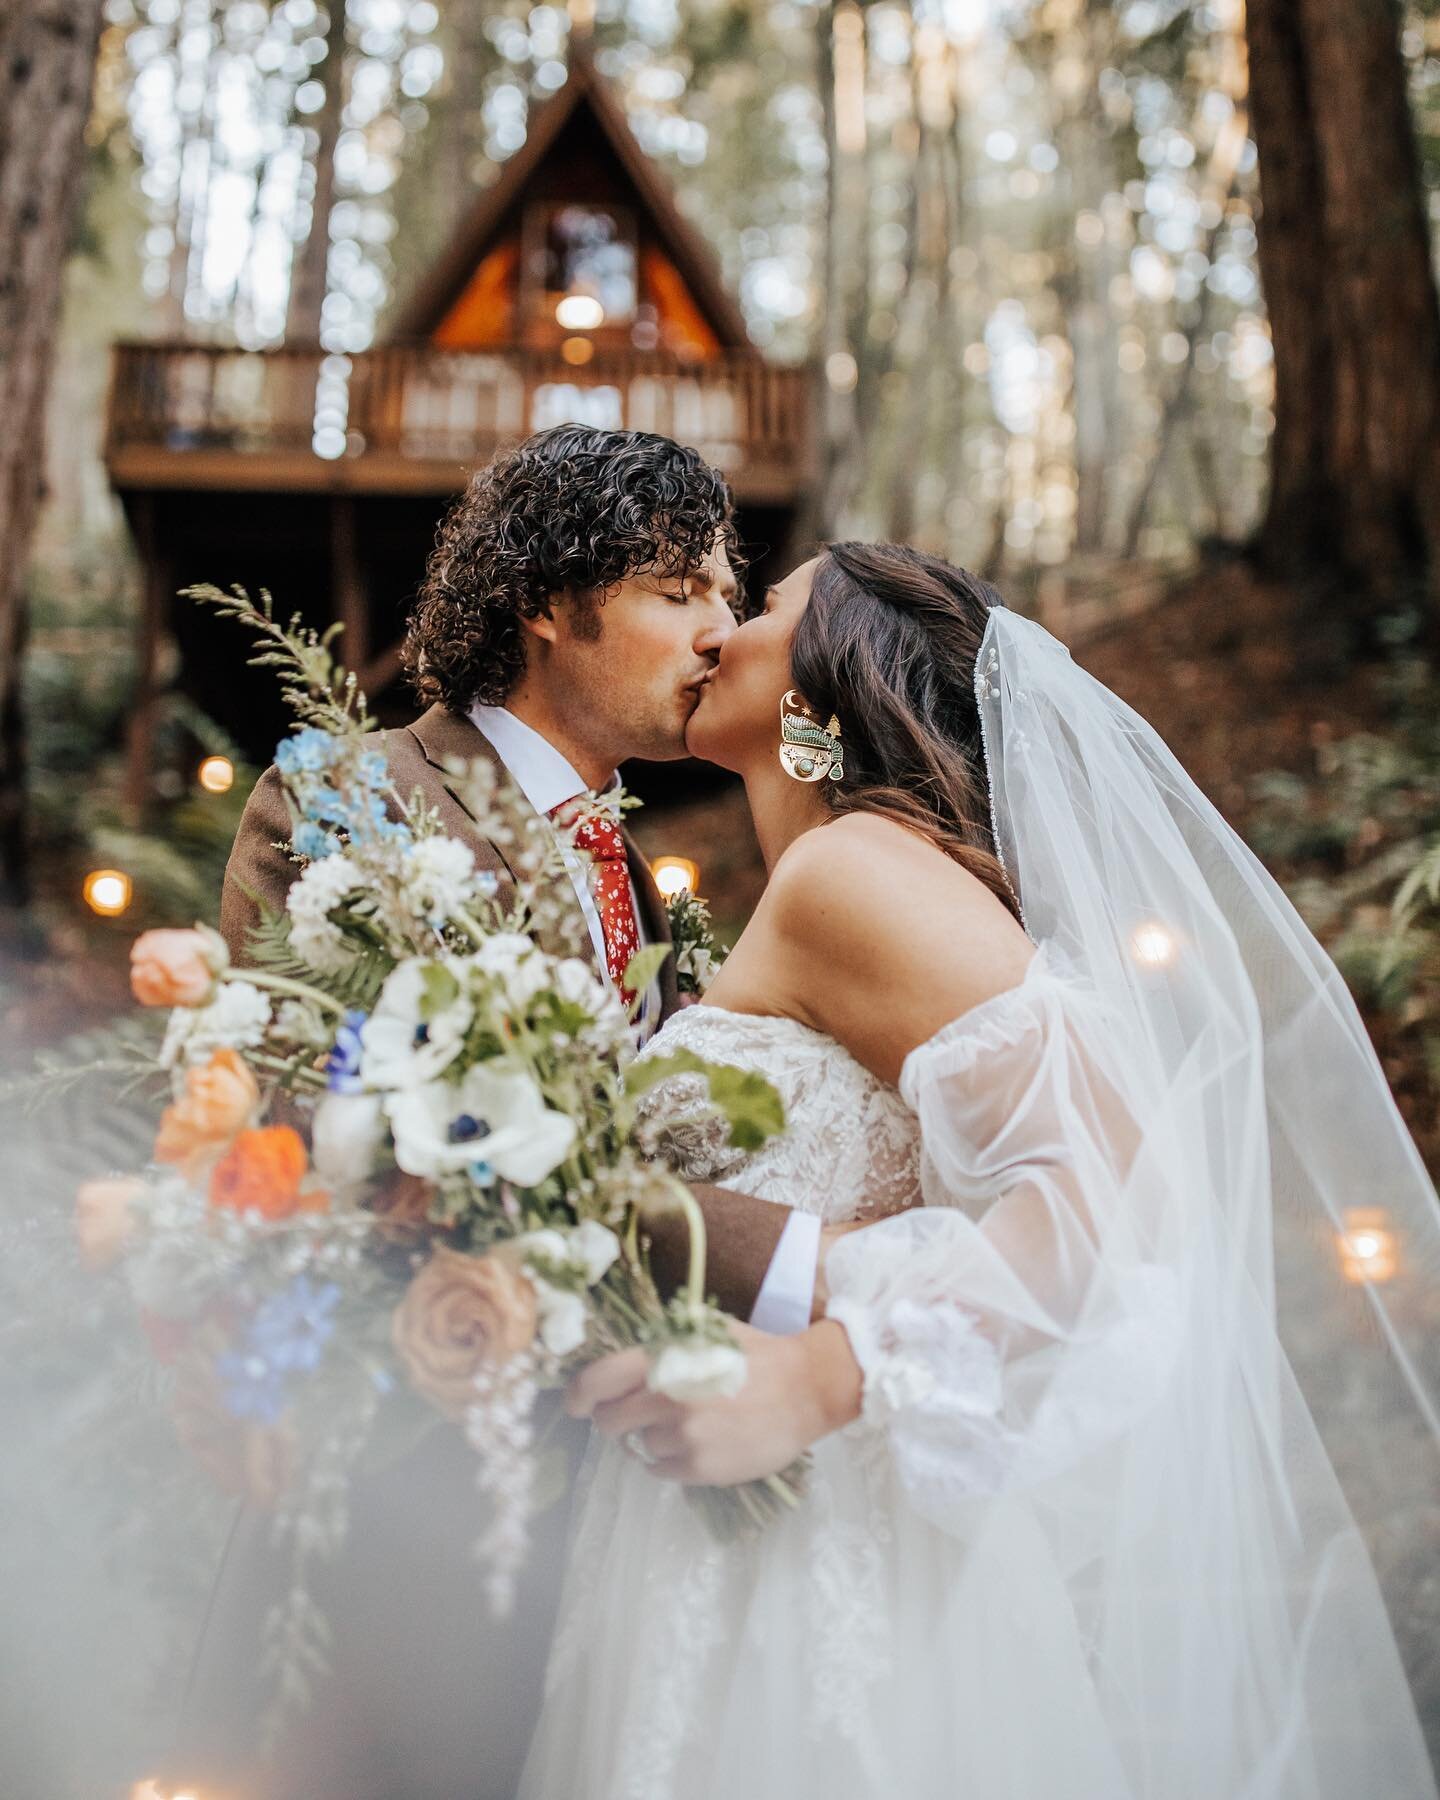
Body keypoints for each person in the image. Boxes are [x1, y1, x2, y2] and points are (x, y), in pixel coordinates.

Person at [524, 542, 1440, 1799]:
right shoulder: (830, 884)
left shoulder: (854, 872)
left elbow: (1124, 1199)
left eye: (760, 605)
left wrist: (825, 1375)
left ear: (820, 687)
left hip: (823, 1549)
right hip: (716, 1522)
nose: (720, 630)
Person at [167, 427, 838, 1799]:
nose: (720, 631)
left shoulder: (634, 874)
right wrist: (827, 1281)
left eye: (728, 593)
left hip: (599, 1510)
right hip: (404, 1510)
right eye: (680, 590)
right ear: (545, 599)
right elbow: (369, 1145)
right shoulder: (351, 805)